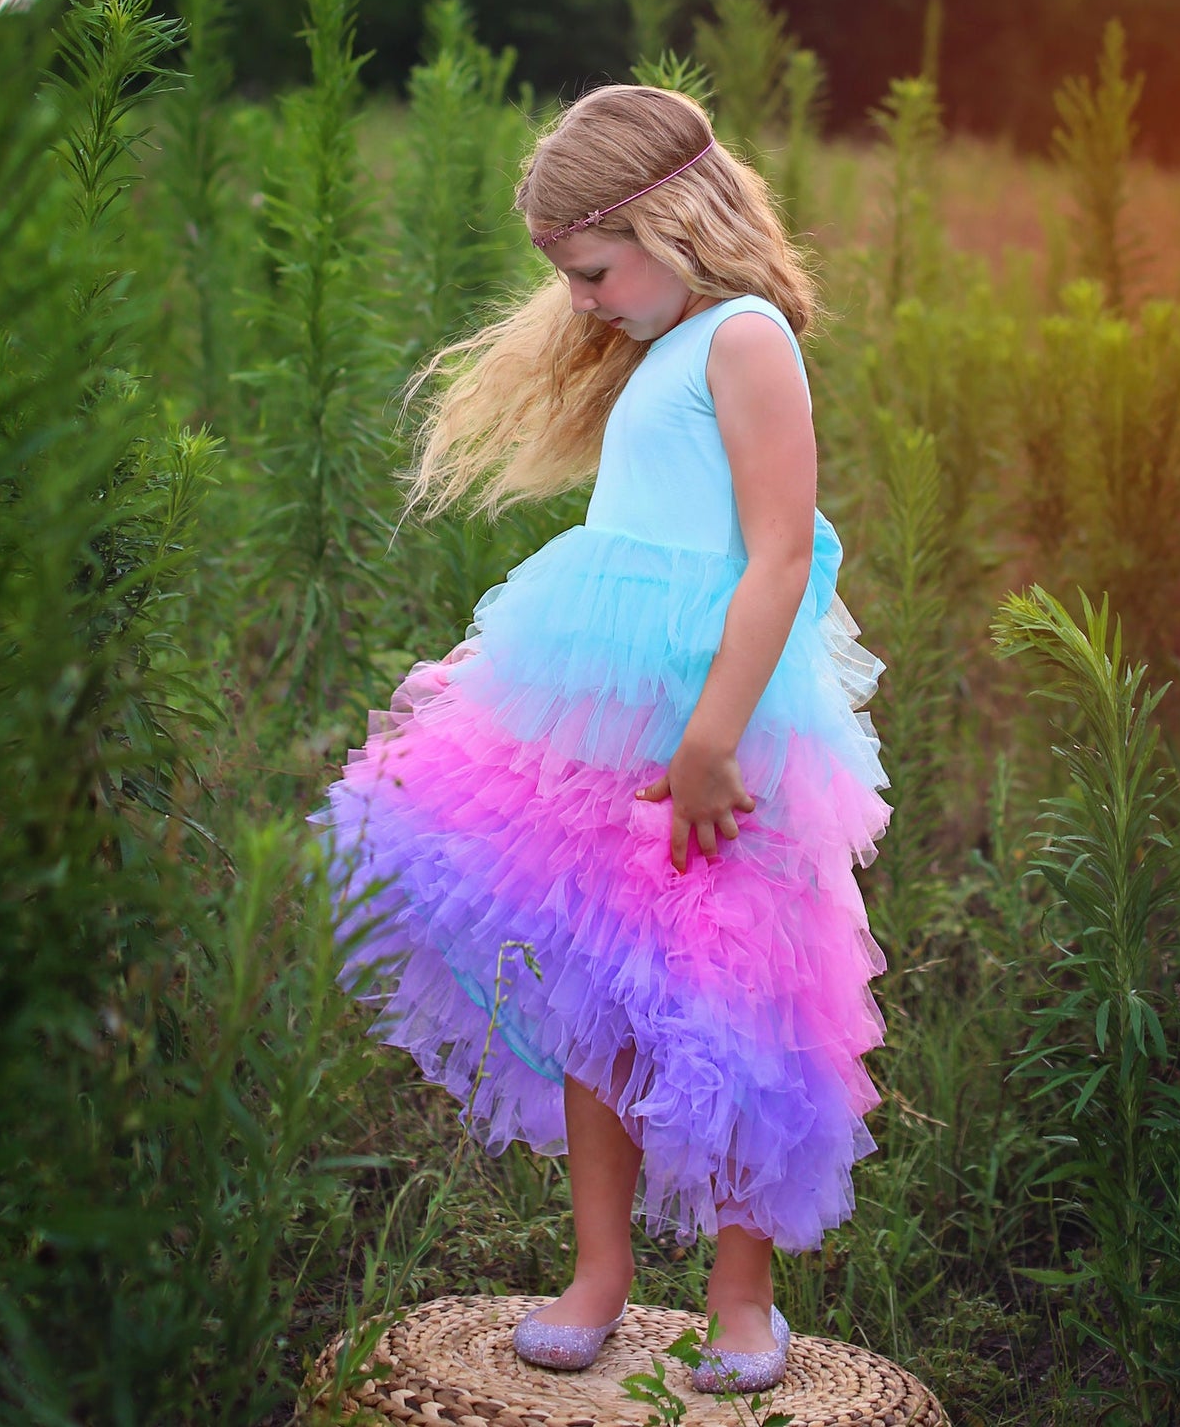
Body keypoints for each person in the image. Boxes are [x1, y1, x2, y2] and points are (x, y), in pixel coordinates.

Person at [317, 84, 890, 1393]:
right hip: (600, 717)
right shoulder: (663, 340)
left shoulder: (745, 337)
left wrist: (711, 741)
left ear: (665, 222)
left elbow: (780, 553)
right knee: (598, 1000)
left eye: (588, 268)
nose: (577, 298)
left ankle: (740, 1299)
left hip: (719, 724)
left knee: (731, 1005)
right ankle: (599, 1271)